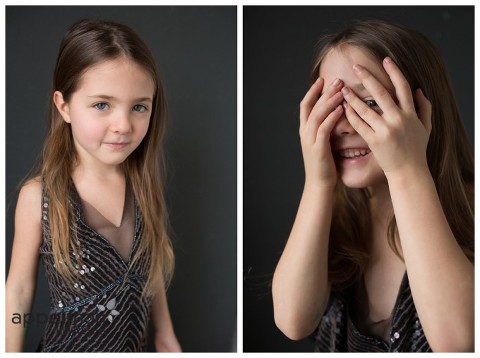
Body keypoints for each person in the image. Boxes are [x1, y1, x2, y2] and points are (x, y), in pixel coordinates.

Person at [271, 20, 474, 352]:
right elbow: (293, 321)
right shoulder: (332, 220)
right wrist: (318, 182)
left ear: (422, 112)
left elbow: (458, 343)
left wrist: (407, 168)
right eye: (332, 105)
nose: (345, 126)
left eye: (371, 103)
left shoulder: (471, 211)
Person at [5, 19, 181, 352]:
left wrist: (165, 333)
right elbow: (18, 290)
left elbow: (151, 267)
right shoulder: (40, 197)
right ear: (64, 106)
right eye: (102, 105)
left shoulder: (143, 188)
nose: (123, 125)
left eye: (139, 107)